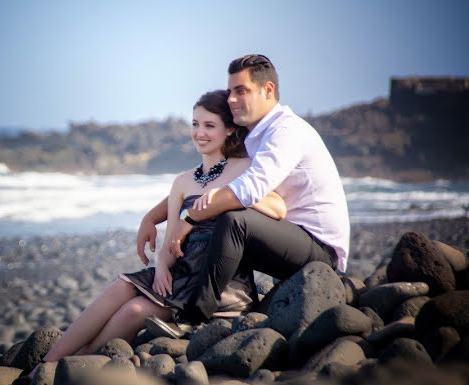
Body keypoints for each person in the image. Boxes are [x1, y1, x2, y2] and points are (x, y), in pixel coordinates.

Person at [35, 90, 288, 367]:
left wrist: (224, 193)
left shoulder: (244, 169)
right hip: (181, 271)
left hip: (219, 283)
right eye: (195, 124)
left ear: (229, 130)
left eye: (209, 125)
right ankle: (50, 361)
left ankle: (79, 362)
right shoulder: (182, 181)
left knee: (133, 310)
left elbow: (278, 208)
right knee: (122, 285)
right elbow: (171, 238)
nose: (199, 133)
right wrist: (163, 267)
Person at [136, 54, 350, 325]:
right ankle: (197, 298)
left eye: (241, 91)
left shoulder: (286, 131)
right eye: (230, 92)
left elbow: (248, 189)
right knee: (220, 217)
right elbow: (212, 182)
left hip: (319, 250)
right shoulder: (253, 135)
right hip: (283, 237)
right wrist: (153, 218)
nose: (232, 100)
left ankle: (194, 314)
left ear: (268, 90)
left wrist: (189, 219)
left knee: (234, 220)